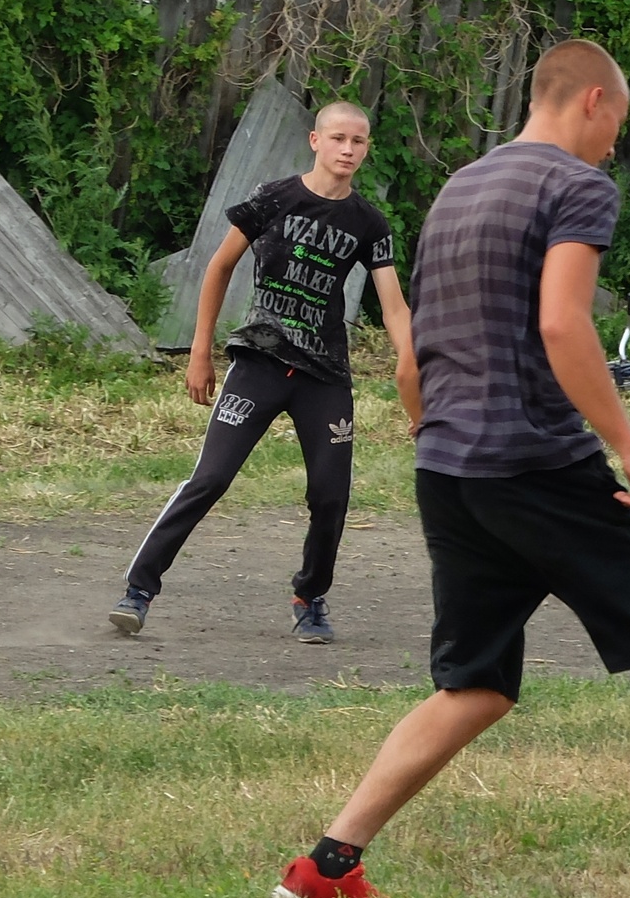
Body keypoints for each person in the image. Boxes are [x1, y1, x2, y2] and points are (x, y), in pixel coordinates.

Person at [272, 39, 630, 898]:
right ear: (593, 102)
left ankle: (326, 864)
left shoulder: (459, 188)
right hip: (535, 462)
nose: (615, 144)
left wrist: (438, 430)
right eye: (618, 123)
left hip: (448, 467)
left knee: (477, 683)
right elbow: (562, 324)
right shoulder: (576, 187)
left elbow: (411, 355)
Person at [111, 101, 410, 646]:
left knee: (330, 494)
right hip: (259, 363)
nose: (348, 150)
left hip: (324, 375)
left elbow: (393, 307)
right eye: (338, 138)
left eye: (359, 142)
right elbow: (220, 265)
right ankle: (138, 590)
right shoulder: (273, 198)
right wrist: (200, 352)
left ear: (367, 148)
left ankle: (310, 597)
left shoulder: (369, 223)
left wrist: (411, 366)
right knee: (211, 478)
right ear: (316, 141)